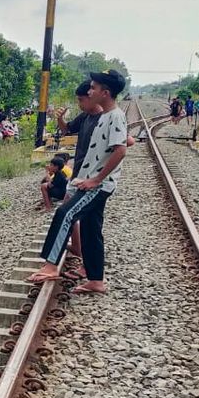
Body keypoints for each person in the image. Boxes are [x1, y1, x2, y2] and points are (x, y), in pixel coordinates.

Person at [28, 69, 129, 295]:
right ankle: (96, 280)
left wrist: (96, 179)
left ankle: (51, 265)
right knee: (92, 229)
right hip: (88, 181)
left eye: (93, 87)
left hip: (98, 185)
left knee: (65, 213)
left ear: (105, 92)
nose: (89, 90)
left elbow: (121, 150)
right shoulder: (103, 116)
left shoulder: (116, 116)